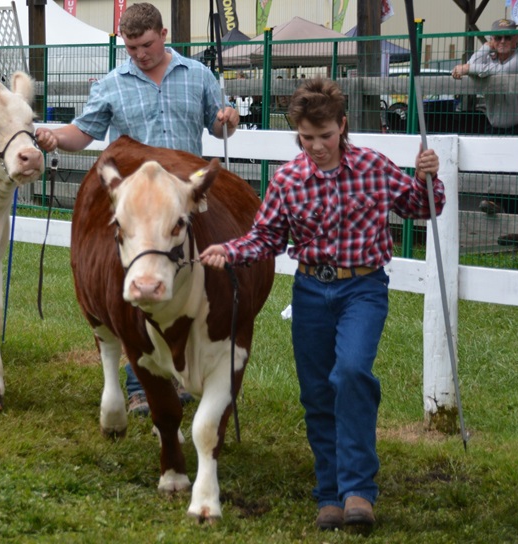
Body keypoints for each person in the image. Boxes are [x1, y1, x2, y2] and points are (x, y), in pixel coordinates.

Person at [198, 77, 445, 531]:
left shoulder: (373, 166)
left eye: (325, 136)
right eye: (307, 138)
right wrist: (229, 251)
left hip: (363, 289)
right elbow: (267, 237)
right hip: (311, 291)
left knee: (351, 373)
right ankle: (329, 494)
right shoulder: (289, 179)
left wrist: (427, 177)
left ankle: (358, 491)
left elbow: (419, 206)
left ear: (342, 126)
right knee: (316, 392)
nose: (316, 146)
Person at [34, 2, 240, 415]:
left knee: (194, 286)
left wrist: (227, 120)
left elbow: (217, 126)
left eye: (145, 45)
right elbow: (85, 131)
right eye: (131, 49)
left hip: (180, 202)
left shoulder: (198, 75)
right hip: (138, 206)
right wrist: (56, 137)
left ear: (163, 34)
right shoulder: (112, 82)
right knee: (137, 286)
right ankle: (140, 383)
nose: (140, 55)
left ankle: (192, 370)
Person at [451, 18, 518, 135]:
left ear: (516, 38)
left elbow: (503, 72)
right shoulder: (489, 57)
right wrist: (485, 48)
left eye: (508, 37)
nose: (502, 41)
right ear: (492, 40)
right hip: (493, 127)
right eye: (498, 37)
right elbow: (471, 64)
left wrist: (468, 69)